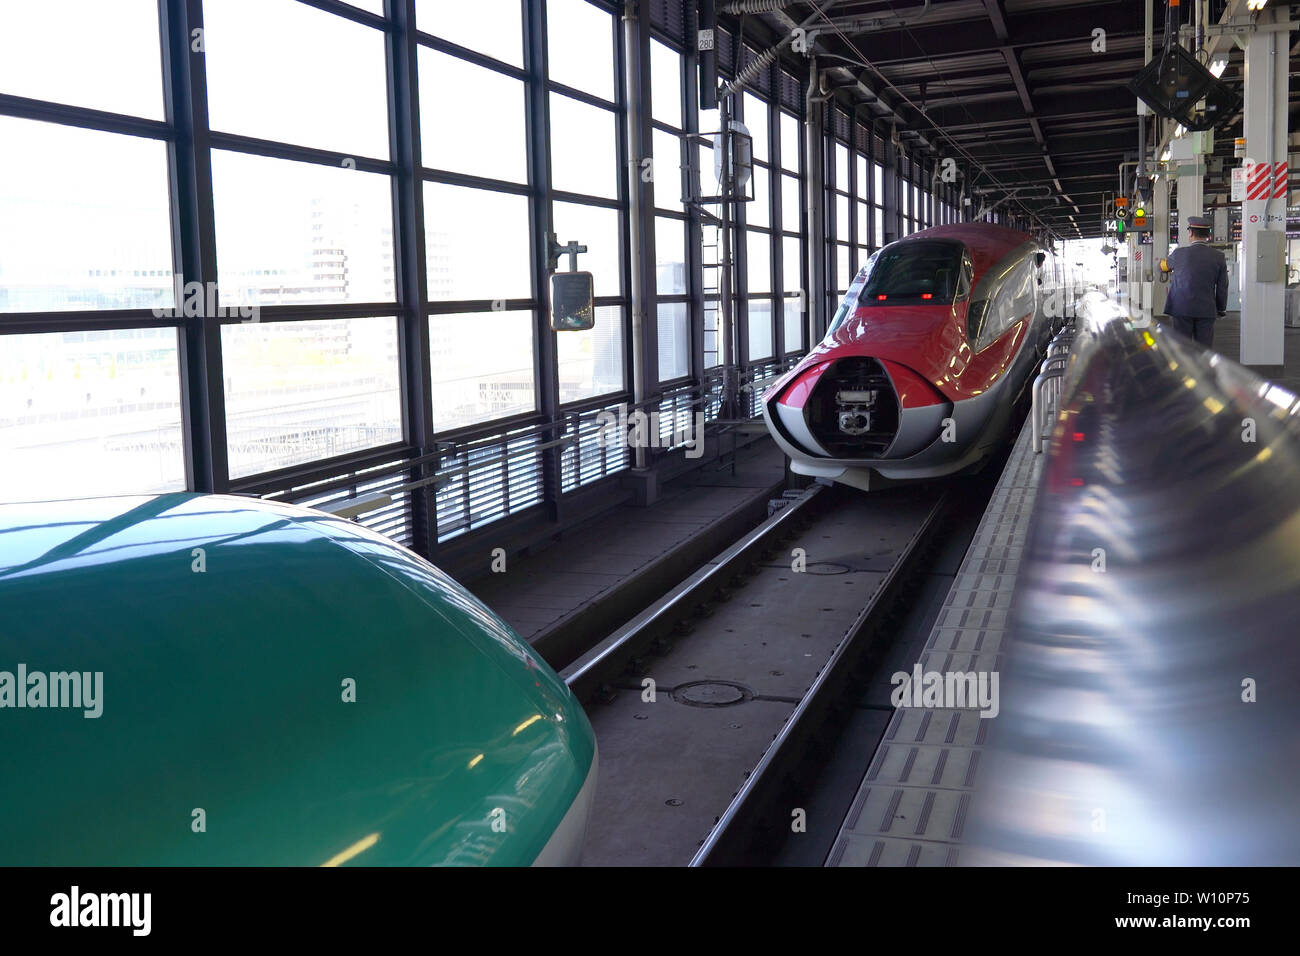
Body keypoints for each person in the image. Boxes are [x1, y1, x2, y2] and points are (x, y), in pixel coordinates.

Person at [1161, 215, 1228, 347]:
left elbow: (1164, 267)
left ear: (1190, 232)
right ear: (1208, 235)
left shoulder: (1178, 253)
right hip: (1206, 309)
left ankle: (1183, 368)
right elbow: (1222, 287)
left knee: (1181, 347)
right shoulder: (1219, 257)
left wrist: (1163, 266)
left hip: (1181, 308)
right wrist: (1220, 308)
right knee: (1204, 349)